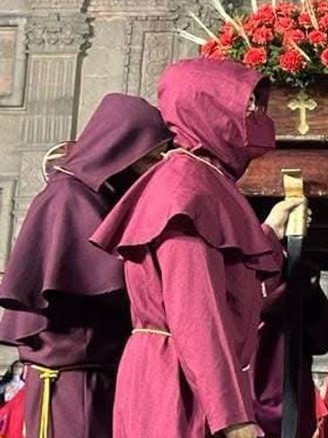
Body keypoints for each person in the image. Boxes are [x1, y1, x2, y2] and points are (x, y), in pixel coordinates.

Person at [90, 57, 303, 438]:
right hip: (177, 382)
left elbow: (227, 279)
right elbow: (196, 311)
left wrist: (270, 229)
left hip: (181, 371)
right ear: (209, 109)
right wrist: (232, 417)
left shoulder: (199, 177)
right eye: (246, 106)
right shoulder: (187, 189)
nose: (256, 117)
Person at [0, 93, 171, 438]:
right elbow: (113, 285)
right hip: (73, 384)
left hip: (94, 377)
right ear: (122, 150)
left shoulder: (97, 195)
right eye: (151, 157)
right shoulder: (70, 197)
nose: (155, 167)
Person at [252, 264, 328, 438]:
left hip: (290, 402)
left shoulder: (301, 274)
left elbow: (320, 342)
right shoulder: (252, 269)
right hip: (260, 403)